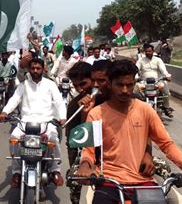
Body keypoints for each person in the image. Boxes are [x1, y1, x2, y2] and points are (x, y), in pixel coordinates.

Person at [76, 60, 182, 203]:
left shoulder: (146, 110)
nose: (125, 90)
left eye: (129, 85)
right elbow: (88, 150)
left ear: (134, 83)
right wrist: (84, 166)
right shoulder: (96, 113)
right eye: (119, 85)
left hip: (144, 181)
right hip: (109, 182)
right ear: (110, 83)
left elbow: (166, 144)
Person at [65, 60, 154, 203]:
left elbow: (146, 131)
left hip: (129, 157)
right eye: (94, 81)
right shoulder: (77, 105)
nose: (96, 86)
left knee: (165, 179)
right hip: (96, 158)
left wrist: (147, 154)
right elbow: (78, 142)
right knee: (76, 185)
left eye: (101, 80)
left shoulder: (132, 100)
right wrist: (83, 165)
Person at [0, 58, 66, 188]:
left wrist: (62, 117)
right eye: (33, 68)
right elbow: (14, 99)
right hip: (25, 122)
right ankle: (17, 172)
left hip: (46, 121)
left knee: (53, 138)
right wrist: (5, 112)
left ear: (42, 69)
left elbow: (58, 102)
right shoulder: (23, 85)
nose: (35, 71)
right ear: (29, 69)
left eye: (38, 68)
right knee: (14, 138)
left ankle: (55, 170)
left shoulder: (50, 84)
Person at [135, 43, 173, 117]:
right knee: (135, 90)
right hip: (144, 82)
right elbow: (135, 70)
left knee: (166, 91)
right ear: (144, 52)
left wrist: (167, 76)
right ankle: (137, 107)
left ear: (153, 51)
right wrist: (135, 77)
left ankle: (167, 107)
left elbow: (163, 69)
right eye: (146, 51)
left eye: (150, 51)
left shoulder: (158, 60)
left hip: (157, 82)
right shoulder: (140, 60)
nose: (148, 53)